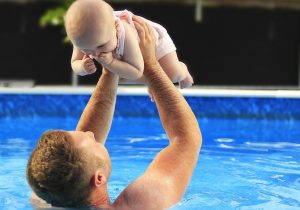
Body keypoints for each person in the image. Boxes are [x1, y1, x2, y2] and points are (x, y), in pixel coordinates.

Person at [26, 16, 202, 209]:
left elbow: (76, 165)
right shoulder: (141, 202)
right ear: (98, 179)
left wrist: (111, 68)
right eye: (90, 139)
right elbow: (186, 140)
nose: (92, 133)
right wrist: (152, 66)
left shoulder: (47, 194)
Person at [64, 0, 194, 89]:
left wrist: (110, 63)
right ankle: (153, 85)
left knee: (172, 75)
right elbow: (74, 63)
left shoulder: (125, 32)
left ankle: (183, 70)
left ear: (115, 27)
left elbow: (137, 71)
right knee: (117, 79)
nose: (95, 53)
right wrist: (81, 67)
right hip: (129, 58)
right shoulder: (84, 36)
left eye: (101, 46)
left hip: (154, 42)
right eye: (85, 49)